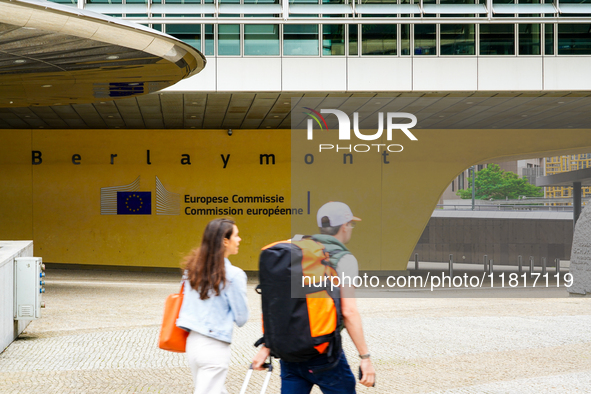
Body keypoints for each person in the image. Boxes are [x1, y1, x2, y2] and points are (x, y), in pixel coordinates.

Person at [252, 202, 376, 393]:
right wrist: (365, 358)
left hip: (290, 351)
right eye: (351, 224)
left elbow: (280, 304)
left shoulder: (299, 253)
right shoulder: (344, 259)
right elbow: (349, 311)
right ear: (344, 226)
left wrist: (267, 346)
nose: (351, 228)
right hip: (323, 352)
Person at [176, 218, 249, 394]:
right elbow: (242, 318)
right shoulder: (234, 275)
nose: (239, 240)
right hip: (215, 345)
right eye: (237, 236)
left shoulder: (191, 270)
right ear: (225, 241)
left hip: (193, 343)